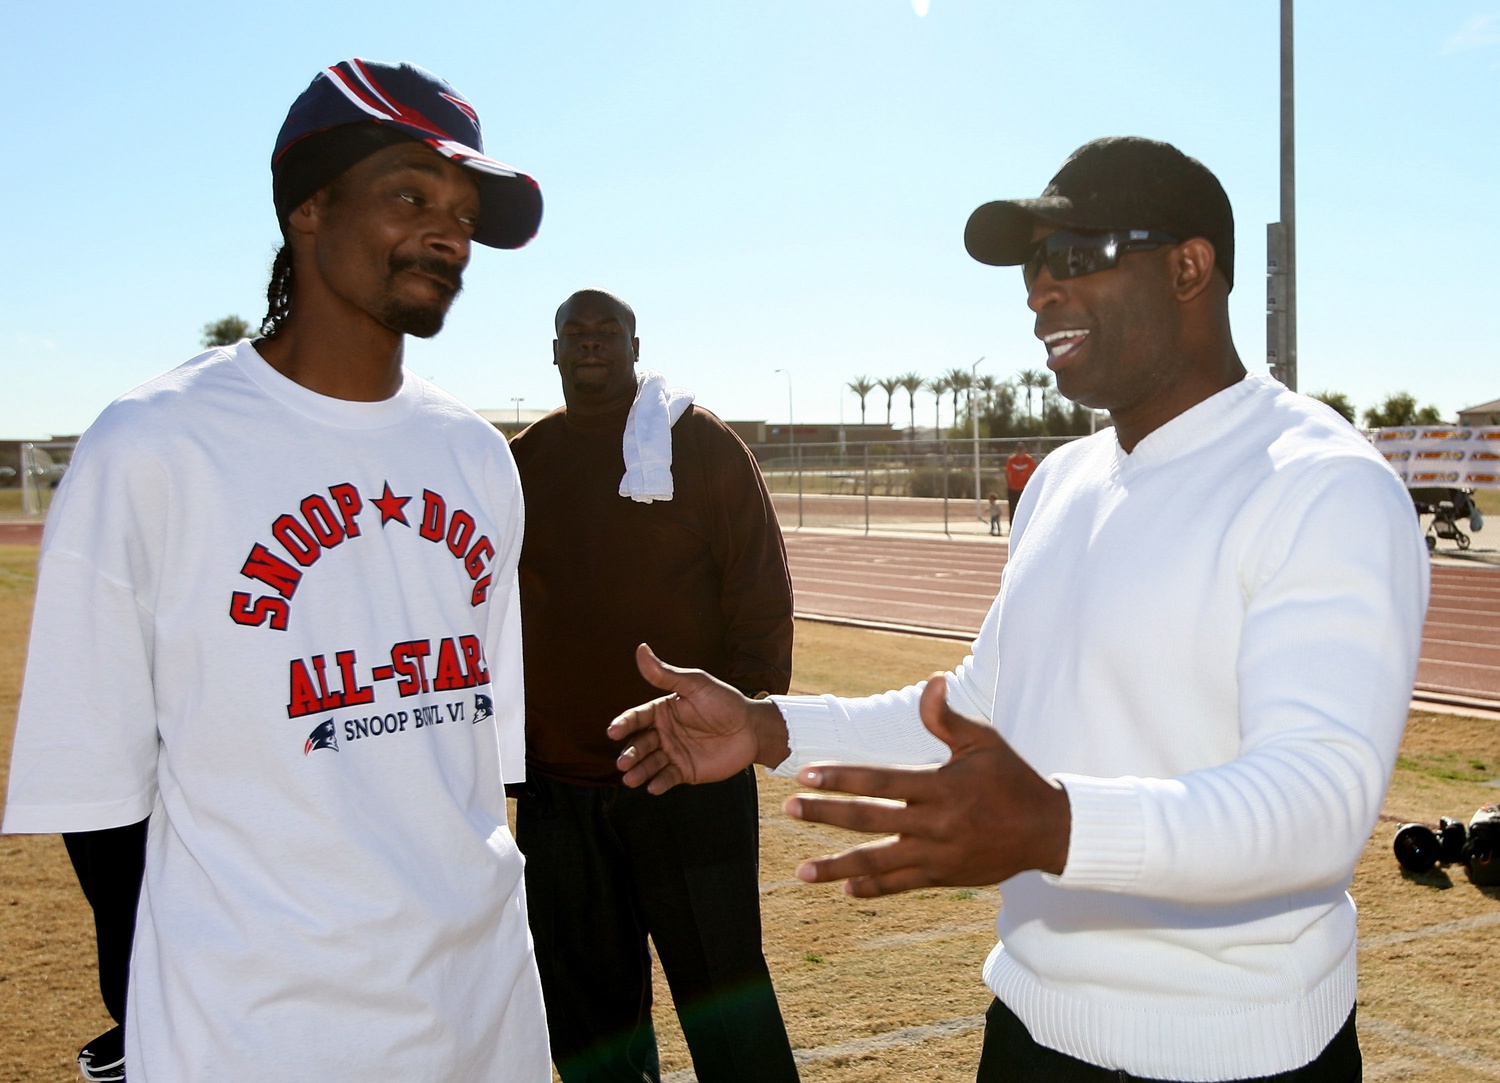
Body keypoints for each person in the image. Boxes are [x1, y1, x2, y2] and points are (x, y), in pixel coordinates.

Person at [607, 137, 1429, 1082]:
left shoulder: (1322, 484)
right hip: (1030, 1031)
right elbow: (977, 711)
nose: (1040, 290)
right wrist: (767, 725)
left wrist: (1056, 825)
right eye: (1033, 269)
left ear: (1189, 267)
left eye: (1075, 257)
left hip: (1239, 1056)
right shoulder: (1064, 479)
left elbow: (1317, 806)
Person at [3, 59, 551, 1081]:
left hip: (481, 1017)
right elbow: (98, 797)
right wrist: (157, 1011)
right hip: (258, 1032)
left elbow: (478, 754)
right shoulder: (153, 445)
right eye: (410, 194)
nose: (447, 231)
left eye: (464, 213)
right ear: (309, 207)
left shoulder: (475, 457)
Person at [508, 288, 800, 1083]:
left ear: (637, 346)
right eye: (576, 330)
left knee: (728, 1002)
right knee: (591, 1030)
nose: (592, 341)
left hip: (685, 780)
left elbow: (762, 594)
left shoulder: (697, 444)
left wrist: (740, 714)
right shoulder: (526, 459)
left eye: (609, 330)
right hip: (562, 796)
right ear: (556, 349)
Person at [1004, 441, 1036, 531]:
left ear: (1025, 450)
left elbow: (1034, 472)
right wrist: (1008, 484)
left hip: (1024, 488)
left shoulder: (1029, 460)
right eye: (1018, 451)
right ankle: (1012, 527)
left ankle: (1025, 526)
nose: (1020, 453)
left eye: (1022, 450)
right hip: (1013, 488)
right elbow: (1007, 472)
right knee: (1013, 508)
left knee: (1025, 507)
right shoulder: (1011, 460)